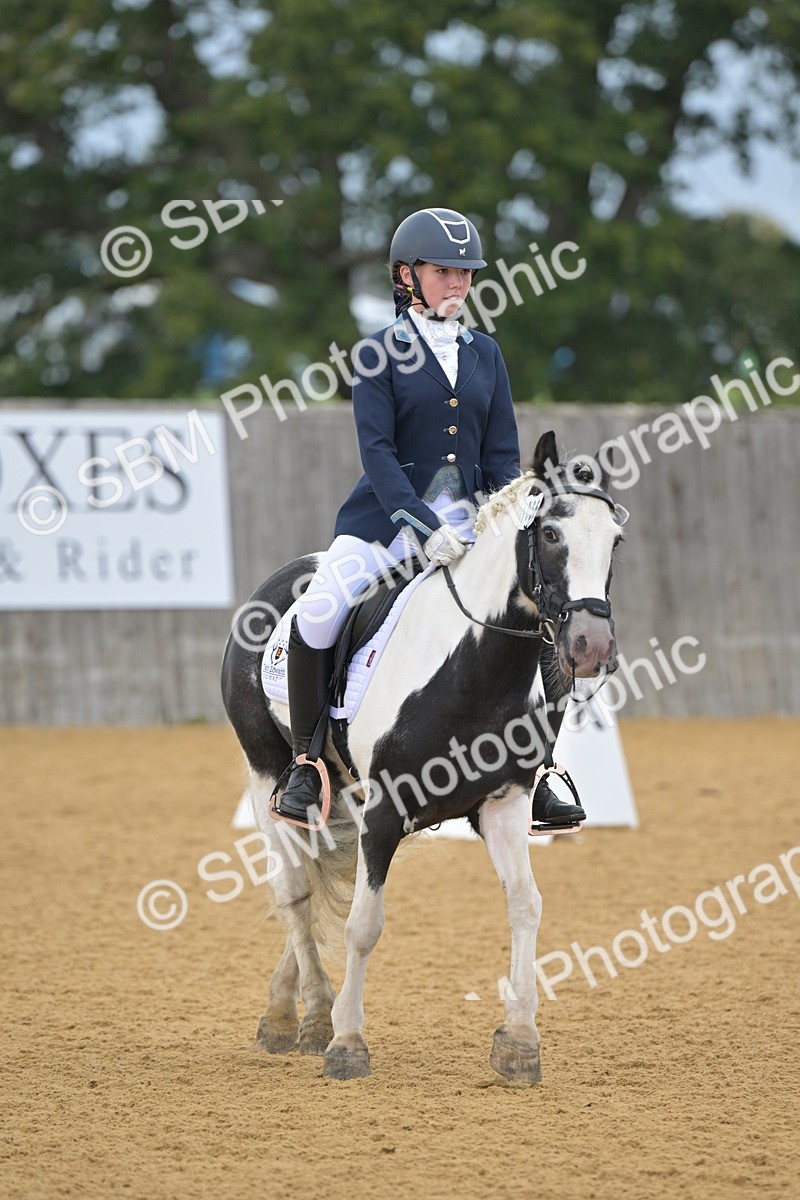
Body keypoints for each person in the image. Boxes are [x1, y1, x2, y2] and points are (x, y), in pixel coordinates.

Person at [275, 207, 583, 832]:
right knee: (318, 610)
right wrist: (419, 523)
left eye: (466, 273)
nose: (459, 284)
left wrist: (517, 502)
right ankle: (308, 765)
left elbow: (499, 454)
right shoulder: (376, 353)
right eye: (444, 272)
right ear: (407, 276)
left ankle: (542, 769)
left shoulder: (485, 354)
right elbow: (378, 454)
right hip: (385, 524)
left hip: (475, 530)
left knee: (543, 608)